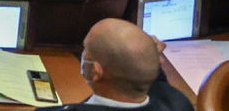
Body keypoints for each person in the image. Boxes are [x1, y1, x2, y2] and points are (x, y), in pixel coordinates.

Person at [61, 19, 196, 111]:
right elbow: (160, 86)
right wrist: (144, 53)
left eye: (86, 49)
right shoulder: (178, 103)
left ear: (95, 72)